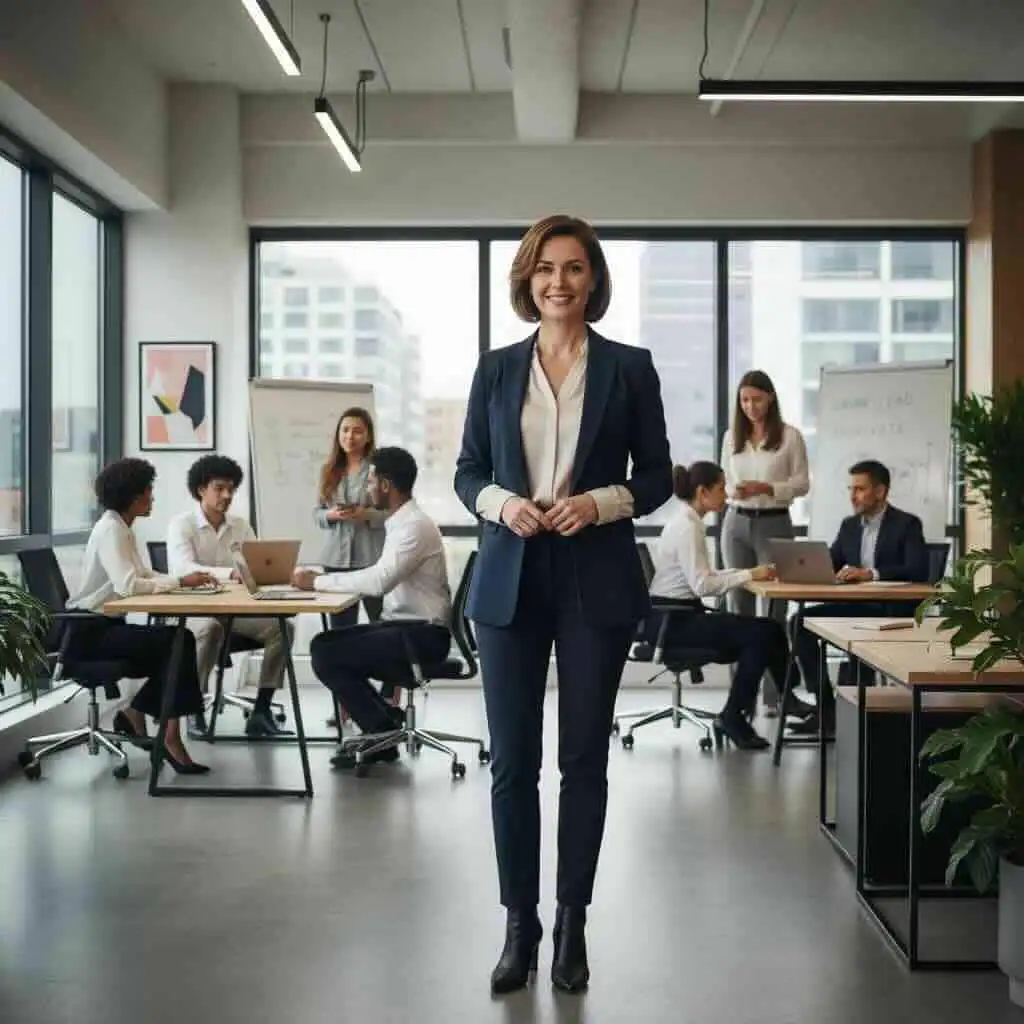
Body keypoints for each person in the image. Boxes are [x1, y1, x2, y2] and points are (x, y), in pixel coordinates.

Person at [454, 214, 672, 996]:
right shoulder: (495, 369)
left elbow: (657, 475)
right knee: (513, 764)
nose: (559, 282)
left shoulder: (630, 368)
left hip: (595, 578)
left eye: (574, 269)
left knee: (583, 760)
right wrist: (502, 503)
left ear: (593, 279)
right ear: (526, 279)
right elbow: (467, 470)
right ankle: (521, 924)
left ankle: (573, 923)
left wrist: (605, 501)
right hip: (510, 577)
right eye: (545, 269)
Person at [296, 447, 451, 769]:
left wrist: (318, 582)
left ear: (385, 485)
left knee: (327, 654)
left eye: (369, 482)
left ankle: (381, 732)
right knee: (325, 645)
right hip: (406, 628)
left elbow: (379, 581)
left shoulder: (413, 527)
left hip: (421, 636)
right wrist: (324, 579)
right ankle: (383, 726)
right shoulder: (401, 522)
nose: (365, 489)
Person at [66, 458, 212, 774]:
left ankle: (144, 718)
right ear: (133, 496)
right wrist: (179, 582)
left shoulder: (122, 527)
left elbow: (144, 573)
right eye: (148, 491)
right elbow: (129, 584)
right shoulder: (111, 529)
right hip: (89, 633)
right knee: (179, 642)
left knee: (177, 645)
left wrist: (185, 582)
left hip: (106, 627)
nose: (152, 498)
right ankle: (158, 729)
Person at [648, 462, 803, 750]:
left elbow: (704, 577)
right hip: (674, 623)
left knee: (763, 634)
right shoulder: (686, 527)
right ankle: (761, 706)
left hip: (678, 616)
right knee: (764, 634)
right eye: (721, 489)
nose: (727, 495)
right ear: (702, 492)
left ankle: (753, 709)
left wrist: (748, 573)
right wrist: (747, 575)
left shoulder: (688, 521)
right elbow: (703, 586)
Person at [786, 459, 930, 737]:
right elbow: (832, 561)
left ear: (880, 492)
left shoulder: (907, 524)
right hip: (856, 607)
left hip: (892, 611)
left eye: (860, 489)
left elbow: (918, 569)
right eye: (850, 489)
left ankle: (862, 712)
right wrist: (804, 566)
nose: (853, 496)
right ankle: (826, 709)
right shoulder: (850, 525)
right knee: (799, 623)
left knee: (849, 639)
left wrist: (871, 574)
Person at [166, 454, 292, 738]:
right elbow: (184, 568)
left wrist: (277, 572)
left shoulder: (240, 526)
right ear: (201, 489)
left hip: (232, 610)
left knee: (282, 628)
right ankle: (193, 709)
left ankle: (261, 711)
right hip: (190, 610)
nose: (227, 495)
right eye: (219, 488)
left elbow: (256, 565)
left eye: (231, 489)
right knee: (209, 628)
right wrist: (229, 574)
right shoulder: (182, 525)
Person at [720, 369, 810, 715]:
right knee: (738, 610)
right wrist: (735, 490)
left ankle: (775, 697)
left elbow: (802, 484)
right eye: (744, 400)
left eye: (757, 399)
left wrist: (769, 488)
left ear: (770, 398)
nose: (750, 406)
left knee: (774, 613)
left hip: (774, 523)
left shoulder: (790, 437)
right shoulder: (733, 437)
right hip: (736, 522)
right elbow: (724, 481)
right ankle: (740, 700)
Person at [314, 407, 387, 629]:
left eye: (357, 431)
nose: (349, 436)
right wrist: (331, 515)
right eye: (345, 430)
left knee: (381, 624)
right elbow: (316, 513)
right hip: (336, 561)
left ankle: (383, 664)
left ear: (368, 436)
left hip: (371, 560)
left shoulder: (379, 469)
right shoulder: (328, 470)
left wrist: (365, 515)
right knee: (341, 631)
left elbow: (391, 514)